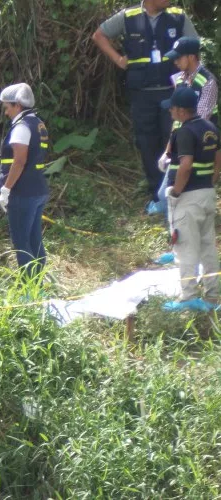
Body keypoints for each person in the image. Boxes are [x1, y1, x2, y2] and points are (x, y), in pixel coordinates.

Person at [92, 0, 198, 214]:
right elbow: (99, 36)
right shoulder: (128, 17)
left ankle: (178, 193)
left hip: (172, 92)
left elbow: (195, 48)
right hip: (141, 94)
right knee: (146, 143)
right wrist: (118, 59)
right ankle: (157, 197)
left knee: (175, 142)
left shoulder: (178, 17)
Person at [161, 87, 221, 312]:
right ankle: (213, 296)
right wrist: (210, 182)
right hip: (206, 193)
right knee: (208, 248)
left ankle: (188, 298)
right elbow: (218, 159)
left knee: (185, 247)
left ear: (181, 111)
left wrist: (176, 191)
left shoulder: (185, 132)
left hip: (188, 198)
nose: (170, 112)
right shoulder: (210, 128)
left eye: (172, 108)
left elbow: (185, 165)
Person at [156, 37, 218, 213]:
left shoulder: (208, 81)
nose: (175, 62)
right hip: (181, 143)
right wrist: (167, 151)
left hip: (199, 145)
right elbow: (177, 119)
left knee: (182, 191)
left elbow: (202, 119)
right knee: (166, 194)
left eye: (178, 58)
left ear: (191, 57)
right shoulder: (179, 80)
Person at [0, 84, 50, 280]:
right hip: (38, 188)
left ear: (17, 105)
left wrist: (6, 189)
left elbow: (19, 161)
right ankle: (37, 285)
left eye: (7, 107)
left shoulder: (21, 128)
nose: (6, 112)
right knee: (34, 239)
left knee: (21, 242)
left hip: (22, 192)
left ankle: (28, 288)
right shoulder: (38, 123)